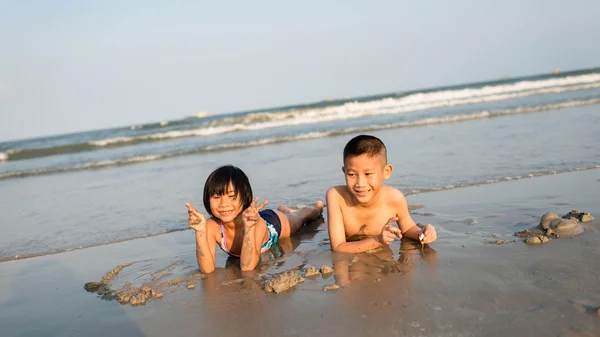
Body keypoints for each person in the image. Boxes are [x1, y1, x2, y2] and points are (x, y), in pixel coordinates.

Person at [185, 165, 324, 273]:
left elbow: (247, 267)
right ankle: (285, 209)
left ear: (245, 196)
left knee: (299, 218)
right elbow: (207, 269)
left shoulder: (257, 224)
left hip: (272, 222)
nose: (223, 204)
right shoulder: (211, 226)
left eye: (231, 196)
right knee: (291, 215)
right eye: (216, 197)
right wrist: (200, 232)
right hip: (251, 217)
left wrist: (250, 228)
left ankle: (314, 208)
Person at [326, 134, 437, 253]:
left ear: (386, 172)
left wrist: (423, 233)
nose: (360, 183)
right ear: (344, 172)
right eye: (352, 174)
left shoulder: (394, 198)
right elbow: (338, 247)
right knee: (302, 222)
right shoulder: (336, 196)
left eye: (368, 174)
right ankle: (309, 213)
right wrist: (378, 240)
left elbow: (407, 228)